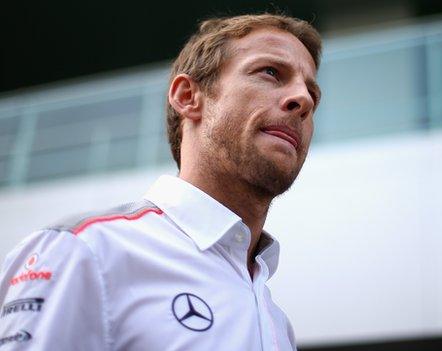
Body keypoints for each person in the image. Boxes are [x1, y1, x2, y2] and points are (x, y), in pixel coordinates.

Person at [0, 13, 322, 350]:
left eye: (313, 93)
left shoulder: (276, 323)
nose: (303, 100)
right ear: (187, 97)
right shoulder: (86, 251)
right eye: (270, 73)